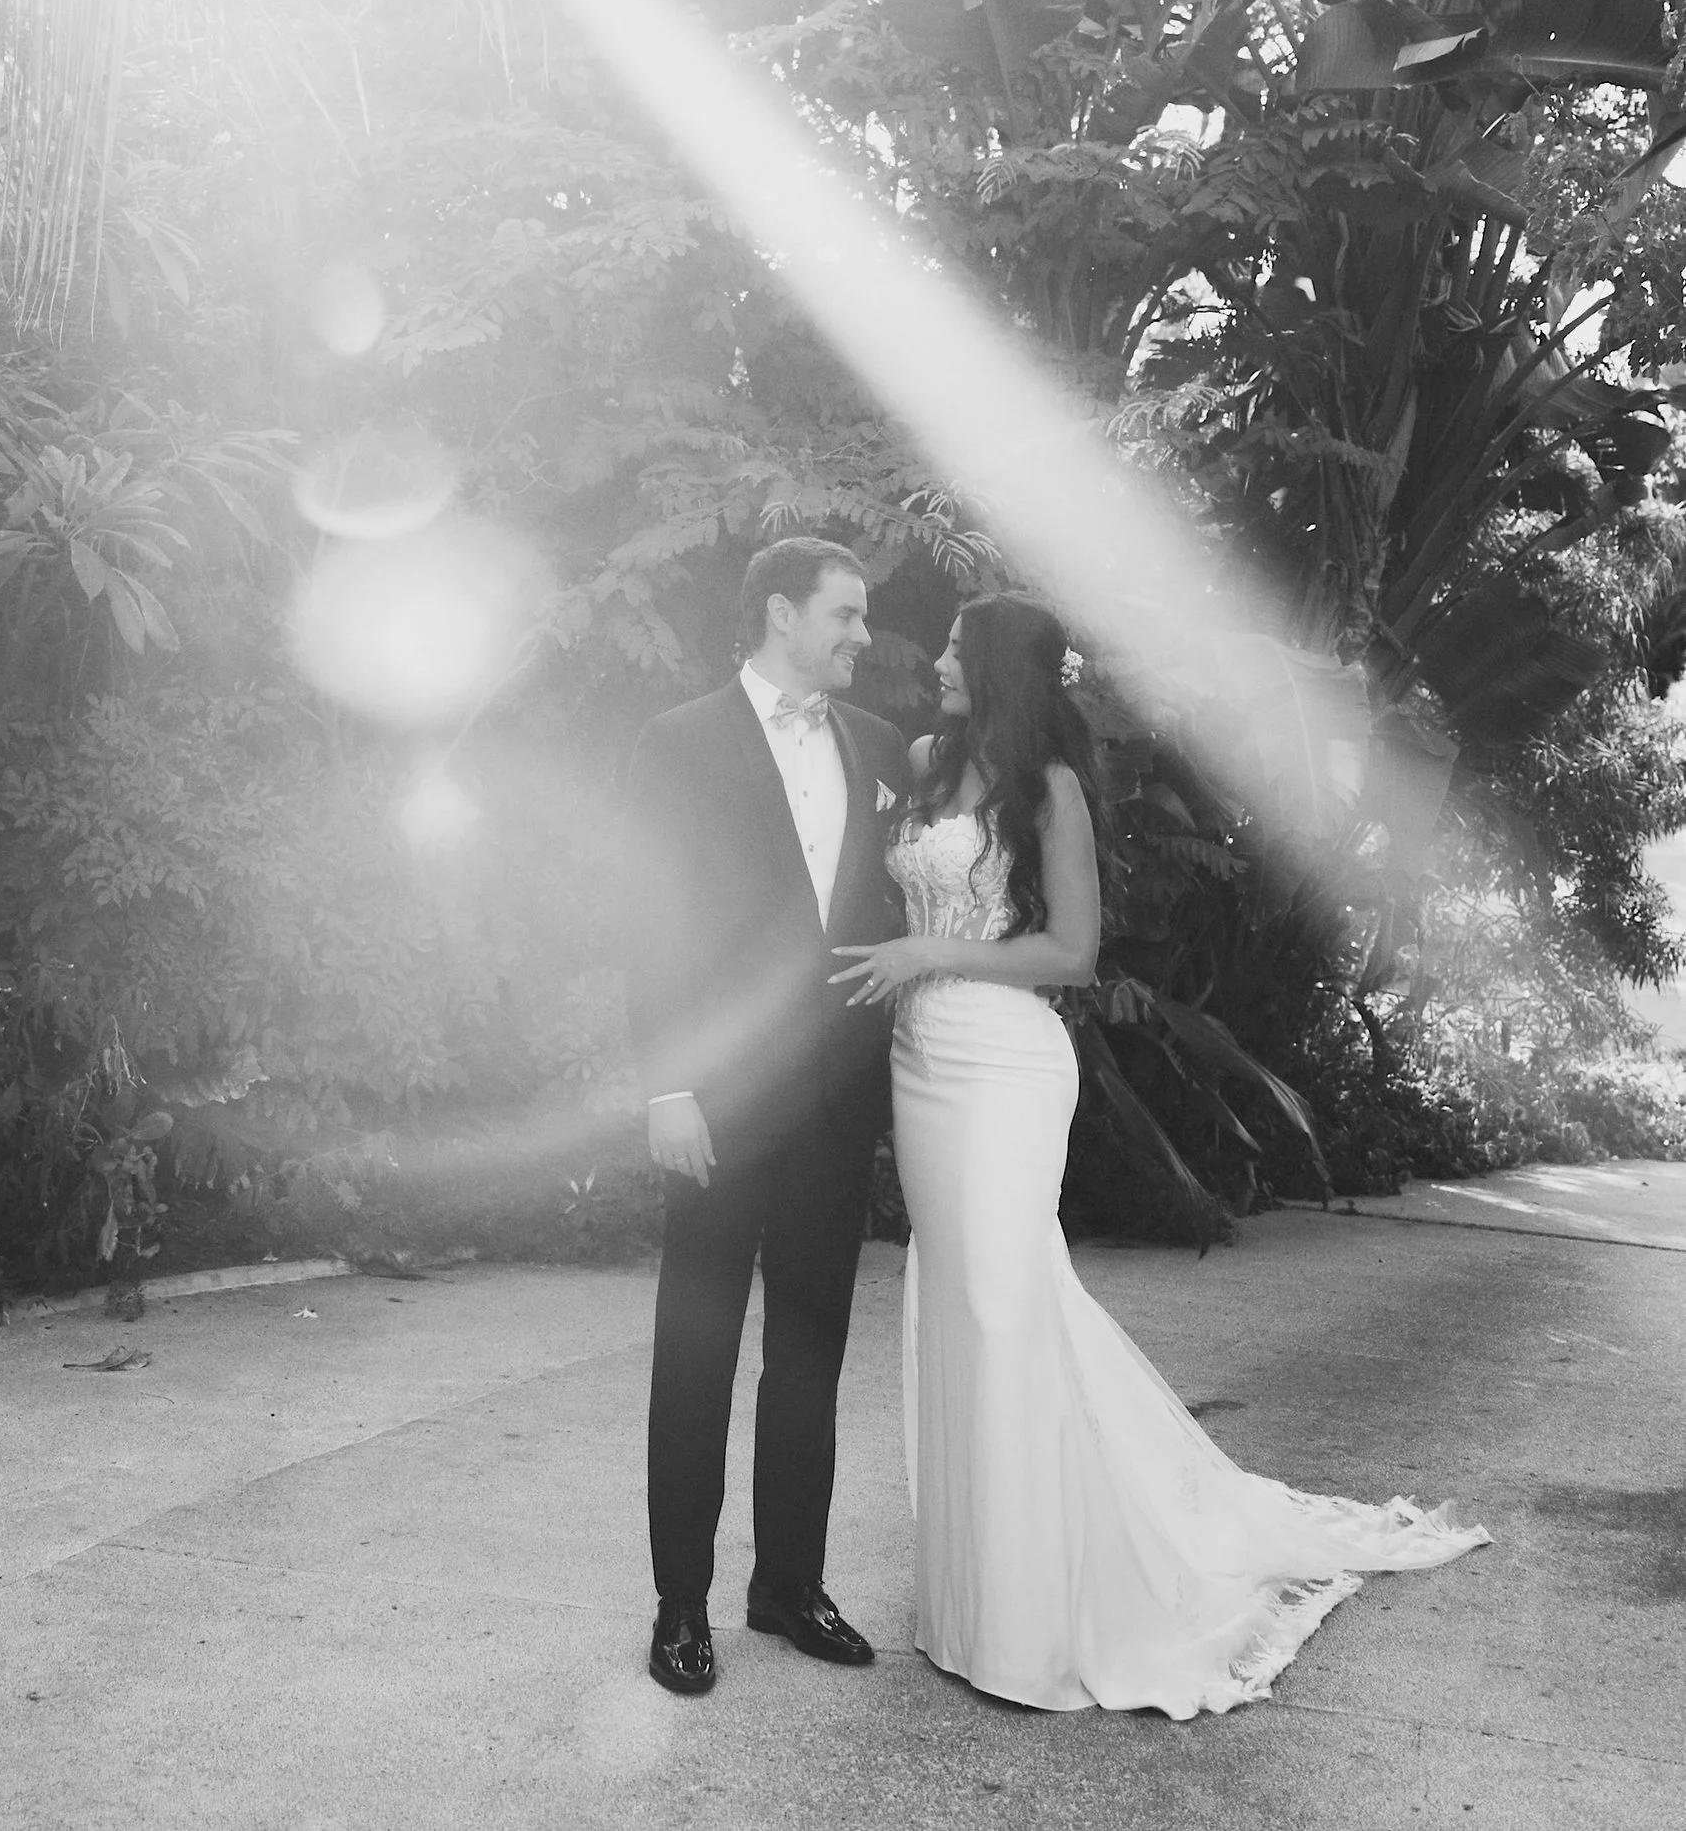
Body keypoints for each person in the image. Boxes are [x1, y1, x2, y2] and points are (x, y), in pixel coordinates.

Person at [832, 594, 1489, 1715]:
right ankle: (972, 1601)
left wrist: (927, 952)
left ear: (998, 667)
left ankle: (1039, 1616)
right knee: (955, 1304)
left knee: (1003, 1302)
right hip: (921, 1062)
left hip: (1004, 1061)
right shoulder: (930, 763)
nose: (935, 658)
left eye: (953, 646)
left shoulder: (1049, 788)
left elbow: (1073, 953)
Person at [623, 536, 907, 1698]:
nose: (861, 636)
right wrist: (666, 1085)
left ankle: (788, 1586)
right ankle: (680, 1606)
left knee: (808, 1353)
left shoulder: (877, 746)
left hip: (835, 1104)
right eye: (845, 615)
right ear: (781, 613)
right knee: (694, 1354)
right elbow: (648, 915)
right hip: (718, 1100)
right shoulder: (676, 741)